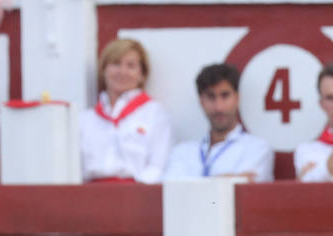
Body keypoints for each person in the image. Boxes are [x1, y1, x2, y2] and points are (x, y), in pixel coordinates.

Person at [79, 37, 171, 183]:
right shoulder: (85, 120)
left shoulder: (154, 113)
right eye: (116, 64)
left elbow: (159, 165)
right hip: (89, 196)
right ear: (104, 69)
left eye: (131, 66)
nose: (122, 71)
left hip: (136, 195)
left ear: (141, 75)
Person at [162, 62, 273, 183]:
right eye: (211, 97)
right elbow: (170, 187)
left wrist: (191, 184)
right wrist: (232, 179)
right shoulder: (182, 151)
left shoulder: (257, 149)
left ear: (237, 98)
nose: (219, 107)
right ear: (201, 101)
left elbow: (248, 189)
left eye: (225, 96)